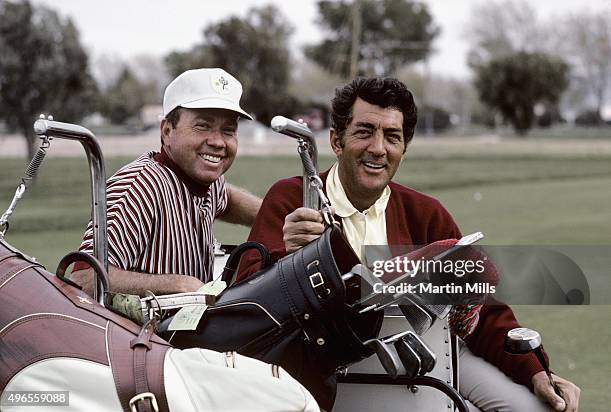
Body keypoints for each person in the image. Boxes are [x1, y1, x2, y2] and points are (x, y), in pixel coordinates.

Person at [237, 77, 580, 411]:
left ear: (403, 148)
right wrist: (290, 258)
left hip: (432, 348)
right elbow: (247, 296)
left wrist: (536, 371)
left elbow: (482, 305)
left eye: (392, 137)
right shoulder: (291, 198)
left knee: (534, 408)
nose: (378, 148)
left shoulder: (426, 213)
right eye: (364, 131)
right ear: (336, 141)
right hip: (329, 363)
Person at [72, 68, 261, 297]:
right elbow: (86, 279)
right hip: (137, 332)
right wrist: (178, 286)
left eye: (228, 130)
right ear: (167, 131)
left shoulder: (206, 180)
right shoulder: (139, 187)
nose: (217, 141)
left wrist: (275, 215)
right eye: (202, 125)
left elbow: (226, 199)